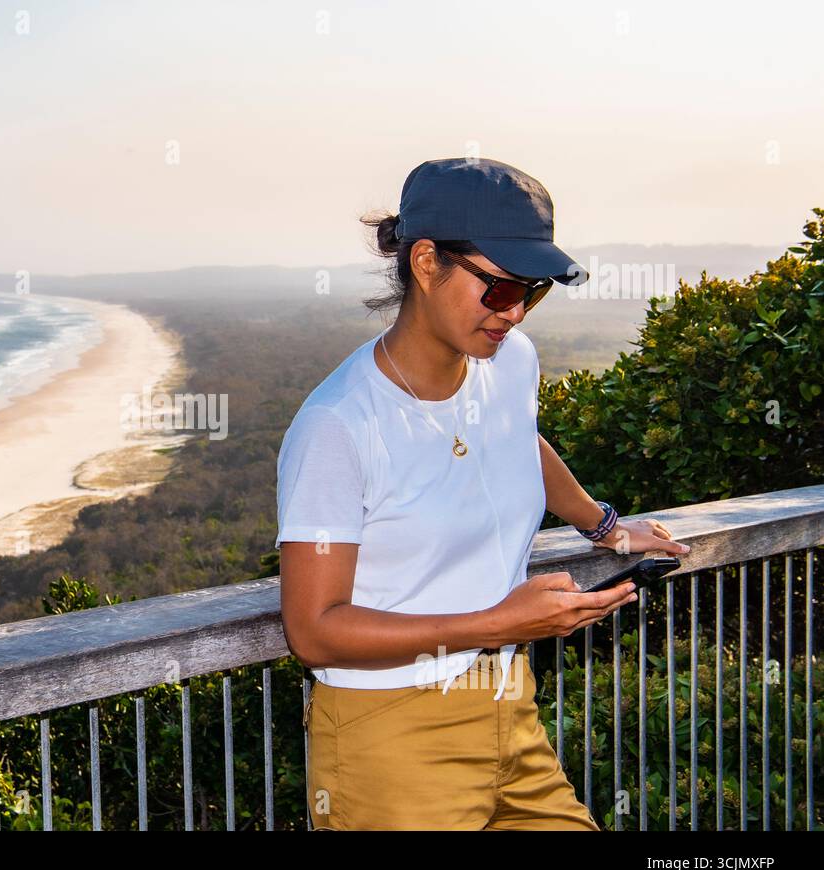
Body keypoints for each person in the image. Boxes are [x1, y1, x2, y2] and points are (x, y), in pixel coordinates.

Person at [275, 157, 692, 831]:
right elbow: (313, 629)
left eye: (533, 291)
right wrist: (498, 623)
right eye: (499, 289)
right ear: (426, 262)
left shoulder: (508, 363)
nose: (517, 312)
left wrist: (605, 524)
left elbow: (517, 441)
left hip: (510, 711)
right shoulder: (339, 425)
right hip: (390, 741)